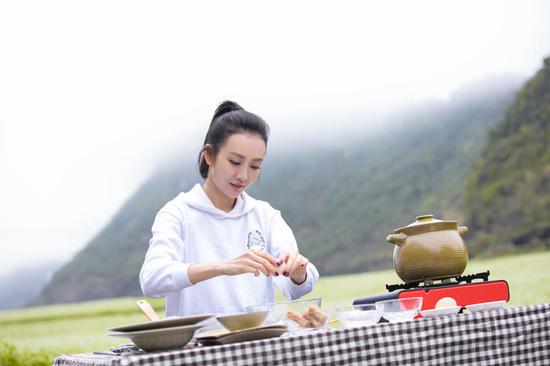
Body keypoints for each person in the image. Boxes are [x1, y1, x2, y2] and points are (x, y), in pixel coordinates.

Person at [139, 101, 319, 317]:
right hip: (199, 346)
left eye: (255, 166)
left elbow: (293, 287)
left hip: (257, 343)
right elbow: (152, 279)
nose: (243, 176)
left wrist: (297, 272)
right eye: (235, 162)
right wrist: (222, 267)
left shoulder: (265, 215)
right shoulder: (178, 213)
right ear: (209, 155)